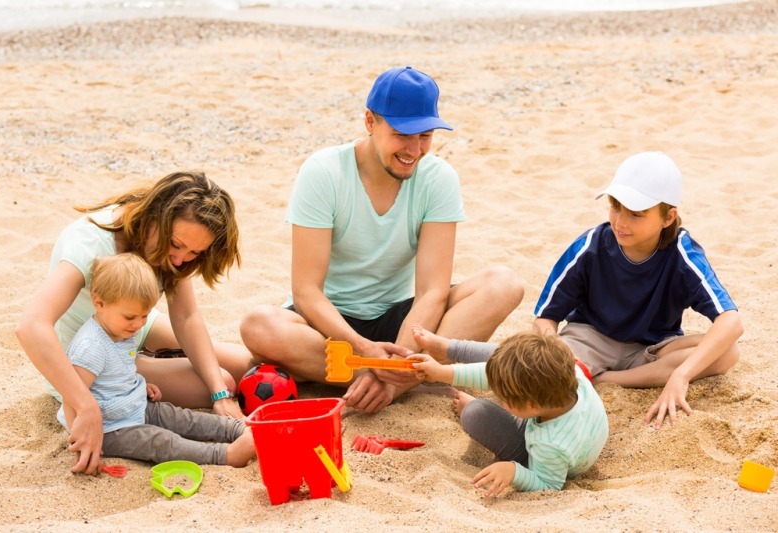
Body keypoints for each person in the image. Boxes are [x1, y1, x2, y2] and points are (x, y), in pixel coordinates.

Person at [240, 66, 523, 413]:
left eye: (425, 136)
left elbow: (432, 291)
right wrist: (362, 349)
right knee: (260, 326)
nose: (414, 149)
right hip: (329, 323)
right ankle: (411, 379)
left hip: (403, 318)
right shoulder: (324, 172)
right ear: (370, 122)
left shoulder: (438, 178)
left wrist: (390, 370)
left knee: (504, 284)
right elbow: (306, 291)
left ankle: (387, 384)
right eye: (403, 133)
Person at [16, 171, 252, 475]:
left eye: (195, 252)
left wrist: (220, 395)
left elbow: (185, 316)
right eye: (177, 245)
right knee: (221, 380)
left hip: (133, 328)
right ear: (157, 215)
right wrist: (86, 406)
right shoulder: (90, 243)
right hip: (90, 366)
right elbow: (31, 325)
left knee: (243, 367)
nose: (180, 260)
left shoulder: (172, 251)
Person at [533, 152, 743, 429]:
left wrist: (681, 375)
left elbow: (731, 322)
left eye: (636, 214)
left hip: (650, 350)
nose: (620, 222)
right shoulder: (590, 247)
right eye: (615, 207)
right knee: (544, 370)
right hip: (590, 340)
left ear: (668, 217)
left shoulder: (682, 253)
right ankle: (590, 373)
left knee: (729, 352)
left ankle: (605, 380)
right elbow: (544, 318)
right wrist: (558, 350)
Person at [58, 254, 254, 467]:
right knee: (160, 442)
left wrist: (137, 385)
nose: (138, 324)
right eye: (131, 317)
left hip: (133, 405)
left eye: (145, 315)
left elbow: (114, 373)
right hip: (111, 428)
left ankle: (237, 429)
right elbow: (71, 396)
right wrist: (82, 443)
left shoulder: (119, 328)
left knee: (179, 417)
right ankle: (224, 455)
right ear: (99, 302)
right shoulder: (91, 345)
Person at [410, 327, 608, 495]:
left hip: (540, 454)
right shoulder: (572, 371)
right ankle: (449, 349)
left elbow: (549, 485)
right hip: (566, 423)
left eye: (505, 398)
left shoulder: (551, 446)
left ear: (532, 406)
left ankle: (457, 364)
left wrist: (514, 472)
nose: (500, 398)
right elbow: (499, 374)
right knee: (510, 359)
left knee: (476, 413)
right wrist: (443, 373)